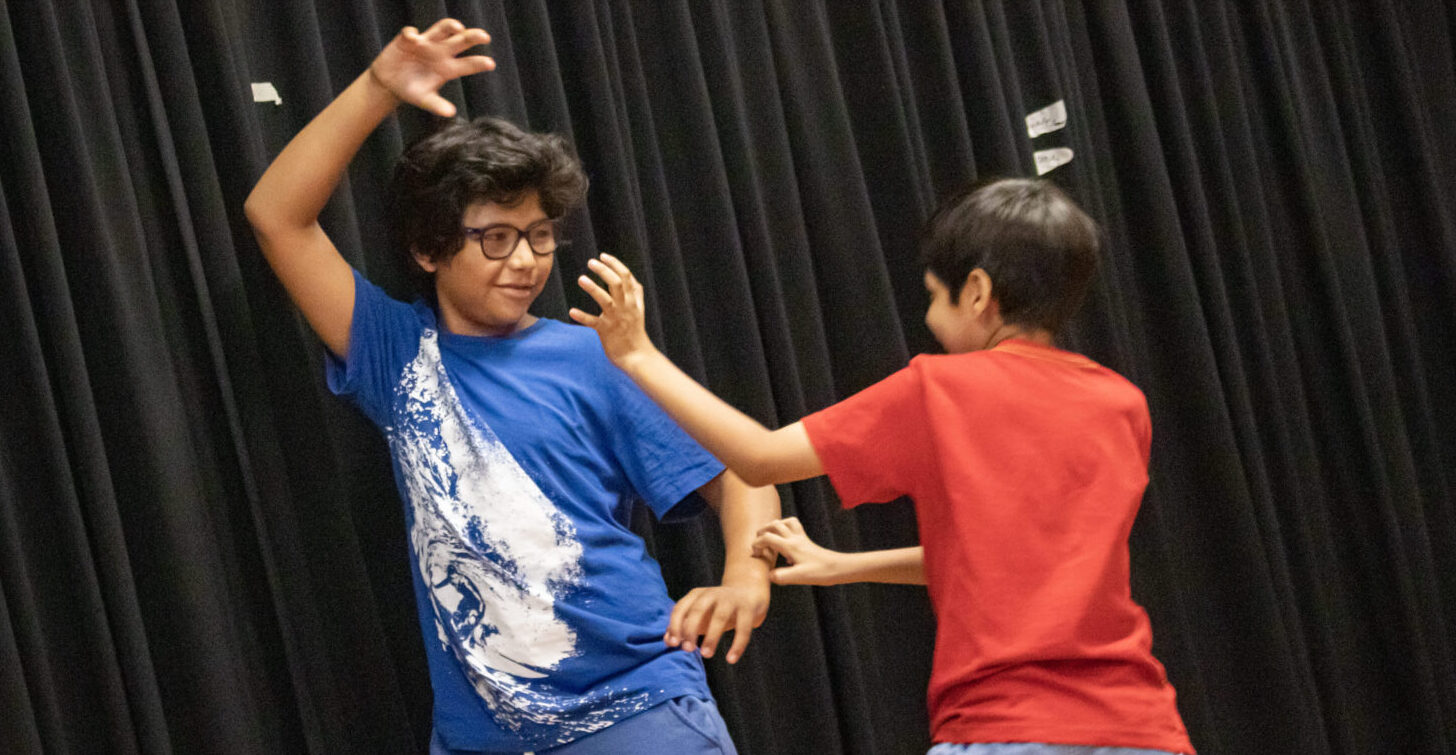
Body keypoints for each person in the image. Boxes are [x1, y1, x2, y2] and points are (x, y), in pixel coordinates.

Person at [244, 19, 779, 754]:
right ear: (430, 248)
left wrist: (747, 577)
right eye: (496, 237)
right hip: (481, 737)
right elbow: (277, 217)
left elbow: (748, 475)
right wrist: (376, 89)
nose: (526, 260)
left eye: (540, 234)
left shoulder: (596, 357)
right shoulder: (398, 352)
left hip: (638, 710)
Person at [570, 178, 1195, 754]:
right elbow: (1013, 555)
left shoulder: (942, 388)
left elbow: (759, 460)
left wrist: (638, 355)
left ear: (976, 291)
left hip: (1008, 727)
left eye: (932, 297)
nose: (928, 320)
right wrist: (846, 568)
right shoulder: (1123, 403)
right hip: (1144, 727)